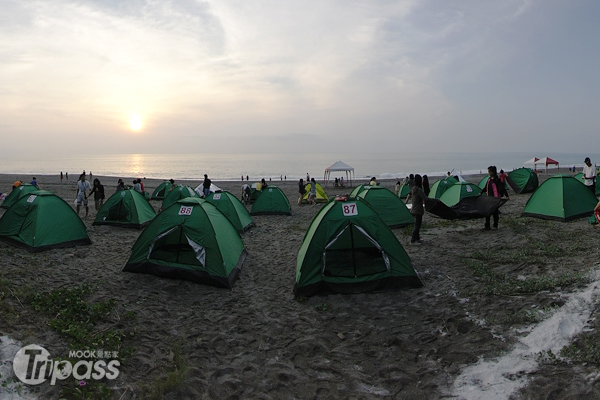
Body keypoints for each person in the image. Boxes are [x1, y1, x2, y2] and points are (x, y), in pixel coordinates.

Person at [481, 165, 509, 230]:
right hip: (489, 198)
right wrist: (481, 192)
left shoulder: (497, 180)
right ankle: (487, 226)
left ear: (493, 172)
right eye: (488, 171)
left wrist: (507, 196)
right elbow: (486, 187)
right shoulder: (489, 180)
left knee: (495, 212)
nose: (488, 173)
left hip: (495, 199)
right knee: (487, 212)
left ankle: (495, 225)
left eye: (489, 172)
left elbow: (502, 188)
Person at [408, 174, 426, 244]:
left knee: (417, 224)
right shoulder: (419, 190)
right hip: (418, 210)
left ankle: (417, 238)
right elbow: (425, 198)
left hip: (413, 209)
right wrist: (436, 200)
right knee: (417, 226)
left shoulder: (413, 189)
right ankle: (413, 239)